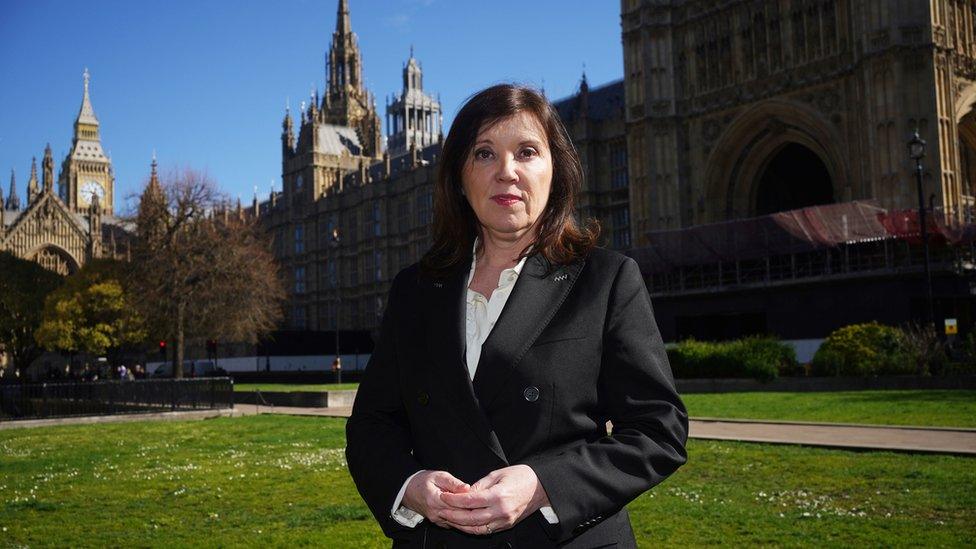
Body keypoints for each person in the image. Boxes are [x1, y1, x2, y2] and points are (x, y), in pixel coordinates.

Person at [346, 84, 688, 548]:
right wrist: (409, 487)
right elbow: (371, 425)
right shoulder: (415, 289)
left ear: (555, 170)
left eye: (527, 151)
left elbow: (657, 430)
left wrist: (545, 484)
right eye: (484, 154)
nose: (506, 172)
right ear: (459, 177)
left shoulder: (605, 281)